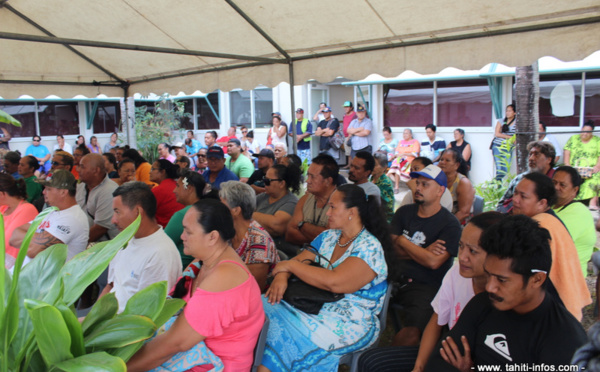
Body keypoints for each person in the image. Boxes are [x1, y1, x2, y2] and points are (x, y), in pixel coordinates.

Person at [424, 215, 587, 371]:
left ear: (536, 279)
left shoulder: (565, 340)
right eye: (489, 274)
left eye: (502, 280)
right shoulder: (482, 305)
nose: (490, 287)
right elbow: (438, 363)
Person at [259, 184, 392, 371]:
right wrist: (282, 275)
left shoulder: (369, 248)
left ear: (351, 212)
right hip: (313, 304)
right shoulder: (329, 237)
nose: (327, 213)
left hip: (348, 320)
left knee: (277, 330)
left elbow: (334, 282)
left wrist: (290, 265)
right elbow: (294, 262)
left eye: (332, 207)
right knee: (260, 308)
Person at [127, 199, 264, 371]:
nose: (182, 236)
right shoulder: (201, 263)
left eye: (188, 232)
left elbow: (176, 343)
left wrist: (120, 368)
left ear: (212, 237)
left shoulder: (225, 277)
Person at [357, 212, 505, 372]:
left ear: (497, 255)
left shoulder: (504, 297)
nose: (462, 257)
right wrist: (419, 367)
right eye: (461, 246)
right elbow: (436, 322)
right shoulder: (457, 273)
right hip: (444, 354)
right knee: (370, 361)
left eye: (473, 251)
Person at [390, 164, 461, 346]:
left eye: (425, 185)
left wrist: (402, 241)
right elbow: (387, 249)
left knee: (413, 334)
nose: (418, 188)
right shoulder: (404, 212)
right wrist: (423, 250)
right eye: (418, 183)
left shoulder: (450, 225)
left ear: (440, 191)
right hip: (390, 275)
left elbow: (433, 262)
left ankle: (385, 361)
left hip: (424, 285)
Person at [511, 172, 591, 319]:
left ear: (542, 203)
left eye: (523, 196)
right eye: (515, 193)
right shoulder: (547, 218)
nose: (515, 200)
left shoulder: (540, 225)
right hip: (564, 302)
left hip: (558, 307)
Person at [100, 182, 182, 313]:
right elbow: (110, 286)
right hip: (107, 320)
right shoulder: (124, 240)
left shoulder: (161, 253)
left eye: (117, 212)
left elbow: (147, 313)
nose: (113, 220)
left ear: (138, 212)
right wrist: (93, 318)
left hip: (125, 328)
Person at [10, 170, 88, 263]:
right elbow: (13, 237)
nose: (43, 192)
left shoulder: (72, 218)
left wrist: (32, 237)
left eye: (48, 189)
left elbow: (33, 251)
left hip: (56, 277)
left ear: (63, 192)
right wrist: (38, 238)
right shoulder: (50, 212)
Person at [219, 181, 279, 291]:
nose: (217, 209)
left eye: (221, 205)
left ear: (236, 210)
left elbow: (252, 288)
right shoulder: (226, 230)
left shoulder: (259, 241)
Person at [286, 153, 340, 248]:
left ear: (328, 181)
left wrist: (302, 225)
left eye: (312, 177)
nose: (307, 181)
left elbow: (332, 239)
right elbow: (290, 234)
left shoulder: (341, 204)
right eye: (308, 175)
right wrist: (320, 236)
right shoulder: (304, 199)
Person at [552, 166, 596, 275]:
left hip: (569, 277)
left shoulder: (578, 212)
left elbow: (551, 241)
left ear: (575, 190)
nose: (556, 187)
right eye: (554, 183)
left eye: (562, 185)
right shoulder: (551, 206)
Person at [252, 164, 300, 256]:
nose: (264, 183)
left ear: (282, 183)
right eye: (264, 179)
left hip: (279, 251)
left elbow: (276, 225)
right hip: (259, 246)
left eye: (267, 181)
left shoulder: (292, 202)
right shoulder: (262, 197)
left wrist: (249, 214)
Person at [165, 169, 209, 269]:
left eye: (177, 186)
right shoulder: (206, 208)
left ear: (189, 188)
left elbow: (162, 244)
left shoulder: (184, 215)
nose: (174, 190)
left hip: (180, 271)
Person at [496, 141, 556, 213]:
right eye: (530, 154)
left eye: (536, 154)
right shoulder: (520, 179)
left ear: (549, 159)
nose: (531, 158)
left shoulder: (556, 182)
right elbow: (502, 204)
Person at [76, 153, 120, 243]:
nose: (78, 170)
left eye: (82, 167)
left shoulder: (109, 190)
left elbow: (100, 228)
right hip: (84, 240)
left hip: (104, 246)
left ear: (96, 171)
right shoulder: (80, 186)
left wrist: (76, 244)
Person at [0, 174, 38, 269]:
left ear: (1, 194)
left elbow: (6, 241)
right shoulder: (4, 207)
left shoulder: (27, 210)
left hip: (13, 270)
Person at [564, 120, 600, 209]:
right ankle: (569, 201)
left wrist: (597, 166)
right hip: (574, 167)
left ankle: (593, 203)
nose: (585, 133)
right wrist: (567, 164)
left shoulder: (597, 141)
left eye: (588, 132)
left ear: (591, 133)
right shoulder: (573, 139)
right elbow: (567, 152)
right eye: (583, 131)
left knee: (597, 177)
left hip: (590, 169)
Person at [438, 149, 475, 224]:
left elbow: (464, 213)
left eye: (447, 160)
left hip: (457, 224)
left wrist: (443, 227)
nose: (442, 162)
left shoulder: (463, 183)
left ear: (456, 165)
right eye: (441, 159)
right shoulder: (437, 179)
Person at [149, 159, 184, 228]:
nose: (149, 172)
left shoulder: (157, 190)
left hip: (166, 231)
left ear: (162, 172)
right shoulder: (177, 185)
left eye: (153, 169)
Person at [388, 128, 421, 193]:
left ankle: (395, 185)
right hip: (399, 161)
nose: (404, 135)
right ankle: (396, 186)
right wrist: (397, 156)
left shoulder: (415, 142)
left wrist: (404, 154)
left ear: (411, 134)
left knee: (396, 163)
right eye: (403, 133)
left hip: (409, 161)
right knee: (397, 163)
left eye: (406, 133)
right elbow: (397, 152)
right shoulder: (401, 142)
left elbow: (415, 153)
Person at [491, 103, 517, 181]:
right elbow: (497, 134)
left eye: (510, 111)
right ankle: (496, 187)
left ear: (515, 112)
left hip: (509, 147)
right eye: (507, 111)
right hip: (498, 145)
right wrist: (510, 137)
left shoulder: (517, 122)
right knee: (499, 168)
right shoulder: (501, 121)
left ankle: (494, 184)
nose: (507, 113)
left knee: (505, 169)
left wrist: (512, 139)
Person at [372, 151, 395, 223]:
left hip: (384, 219)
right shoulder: (371, 178)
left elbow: (376, 202)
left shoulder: (385, 182)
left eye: (375, 165)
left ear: (384, 167)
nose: (371, 167)